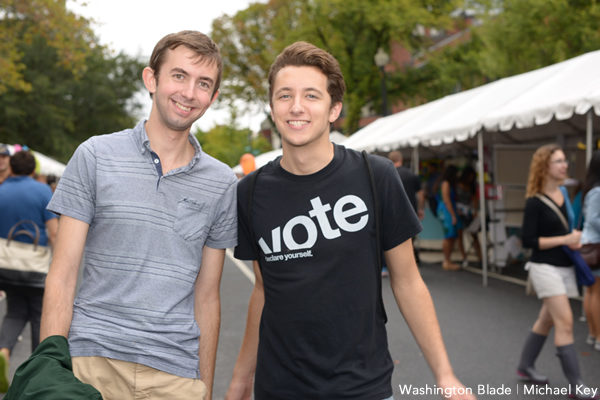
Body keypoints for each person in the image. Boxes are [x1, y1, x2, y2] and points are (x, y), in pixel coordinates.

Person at [226, 42, 475, 400]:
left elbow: (407, 281)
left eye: (311, 95)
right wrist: (239, 381)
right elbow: (264, 291)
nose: (296, 107)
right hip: (279, 389)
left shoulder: (376, 176)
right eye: (285, 95)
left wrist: (445, 374)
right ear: (272, 106)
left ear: (334, 109)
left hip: (363, 387)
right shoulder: (249, 193)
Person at [39, 31, 238, 400]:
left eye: (203, 83)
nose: (189, 92)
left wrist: (205, 389)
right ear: (152, 79)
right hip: (91, 362)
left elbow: (208, 298)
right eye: (179, 76)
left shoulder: (223, 182)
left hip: (175, 373)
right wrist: (49, 369)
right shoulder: (95, 155)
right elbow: (63, 276)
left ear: (213, 97)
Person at [517, 144, 597, 399]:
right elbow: (528, 241)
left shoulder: (564, 192)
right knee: (565, 321)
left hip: (564, 266)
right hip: (544, 267)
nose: (565, 165)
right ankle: (576, 385)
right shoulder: (534, 202)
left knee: (547, 319)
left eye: (565, 160)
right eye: (559, 161)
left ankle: (524, 367)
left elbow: (565, 231)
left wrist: (572, 239)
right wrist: (564, 239)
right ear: (545, 167)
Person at [0, 151, 58, 393]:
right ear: (34, 170)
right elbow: (53, 231)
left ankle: (3, 350)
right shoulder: (42, 191)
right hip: (34, 269)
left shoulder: (1, 189)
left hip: (6, 266)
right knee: (38, 316)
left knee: (14, 312)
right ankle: (35, 374)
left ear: (10, 168)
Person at [388, 150, 424, 267]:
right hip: (411, 210)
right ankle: (410, 264)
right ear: (401, 159)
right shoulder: (411, 174)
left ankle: (397, 264)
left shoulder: (388, 175)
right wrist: (421, 209)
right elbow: (420, 194)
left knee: (393, 239)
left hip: (392, 212)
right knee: (410, 239)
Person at [581, 150, 600, 351]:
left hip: (590, 245)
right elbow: (594, 219)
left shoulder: (591, 189)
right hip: (596, 245)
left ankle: (593, 333)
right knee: (596, 292)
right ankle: (597, 335)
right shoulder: (598, 191)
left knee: (591, 291)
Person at [437, 165, 462, 270]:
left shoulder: (445, 183)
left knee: (451, 235)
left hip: (448, 211)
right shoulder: (446, 184)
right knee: (448, 235)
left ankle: (448, 260)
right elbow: (447, 200)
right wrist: (453, 215)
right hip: (447, 212)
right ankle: (447, 260)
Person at [455, 166, 482, 265]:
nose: (471, 178)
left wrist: (475, 210)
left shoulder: (472, 185)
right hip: (459, 211)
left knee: (474, 234)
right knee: (460, 235)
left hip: (468, 211)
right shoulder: (457, 184)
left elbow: (474, 198)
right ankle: (463, 257)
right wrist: (456, 210)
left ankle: (481, 257)